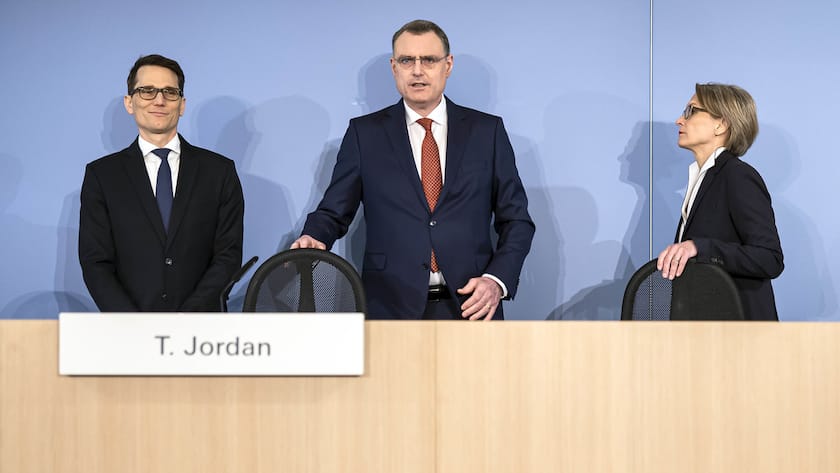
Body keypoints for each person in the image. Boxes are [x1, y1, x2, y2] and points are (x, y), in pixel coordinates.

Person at [292, 19, 535, 320]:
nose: (417, 70)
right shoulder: (364, 134)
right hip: (389, 307)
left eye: (429, 60)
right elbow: (333, 211)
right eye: (407, 60)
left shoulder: (487, 132)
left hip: (472, 307)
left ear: (448, 65)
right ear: (394, 68)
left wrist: (496, 281)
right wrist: (313, 236)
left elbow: (517, 221)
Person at [79, 54, 244, 312]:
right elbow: (95, 261)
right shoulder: (102, 176)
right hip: (129, 333)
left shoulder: (219, 172)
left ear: (182, 104)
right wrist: (132, 323)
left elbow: (228, 256)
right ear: (129, 102)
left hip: (202, 335)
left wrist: (187, 319)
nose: (159, 100)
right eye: (147, 91)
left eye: (170, 92)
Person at [657, 83, 783, 320]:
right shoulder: (703, 179)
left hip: (740, 335)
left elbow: (769, 258)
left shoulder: (737, 176)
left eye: (691, 111)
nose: (679, 120)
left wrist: (700, 247)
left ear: (721, 124)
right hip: (706, 332)